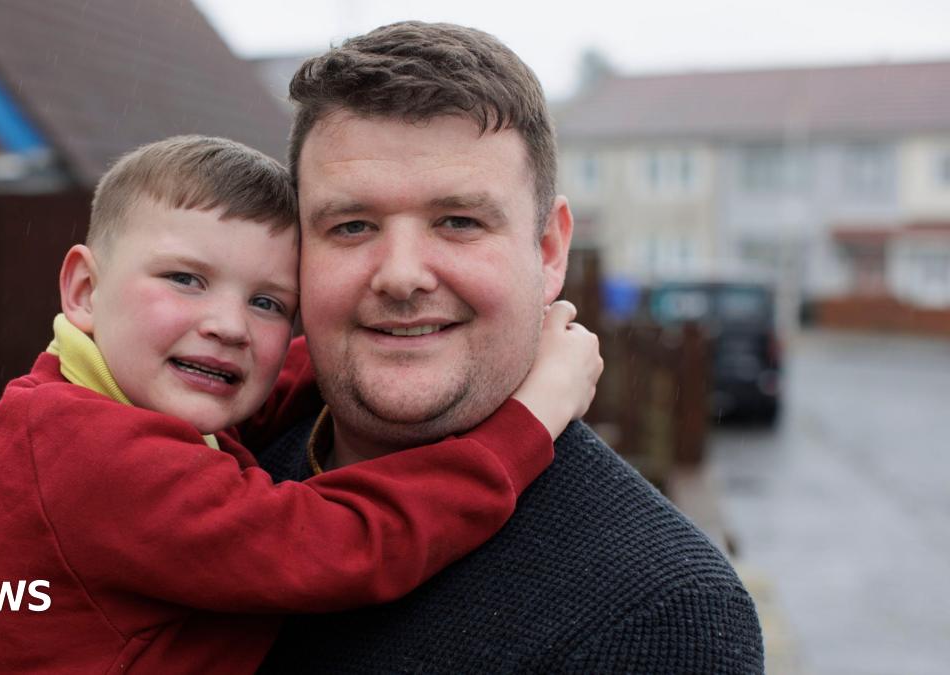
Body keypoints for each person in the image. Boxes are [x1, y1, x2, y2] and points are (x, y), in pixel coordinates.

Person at [0, 135, 603, 673]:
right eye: (186, 278)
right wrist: (532, 415)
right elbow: (344, 543)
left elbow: (271, 386)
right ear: (85, 290)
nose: (229, 326)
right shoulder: (87, 453)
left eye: (268, 302)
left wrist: (394, 344)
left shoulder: (77, 398)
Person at [253, 21, 765, 673]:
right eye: (351, 225)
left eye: (459, 222)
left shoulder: (661, 612)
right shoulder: (215, 466)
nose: (402, 274)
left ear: (549, 250)